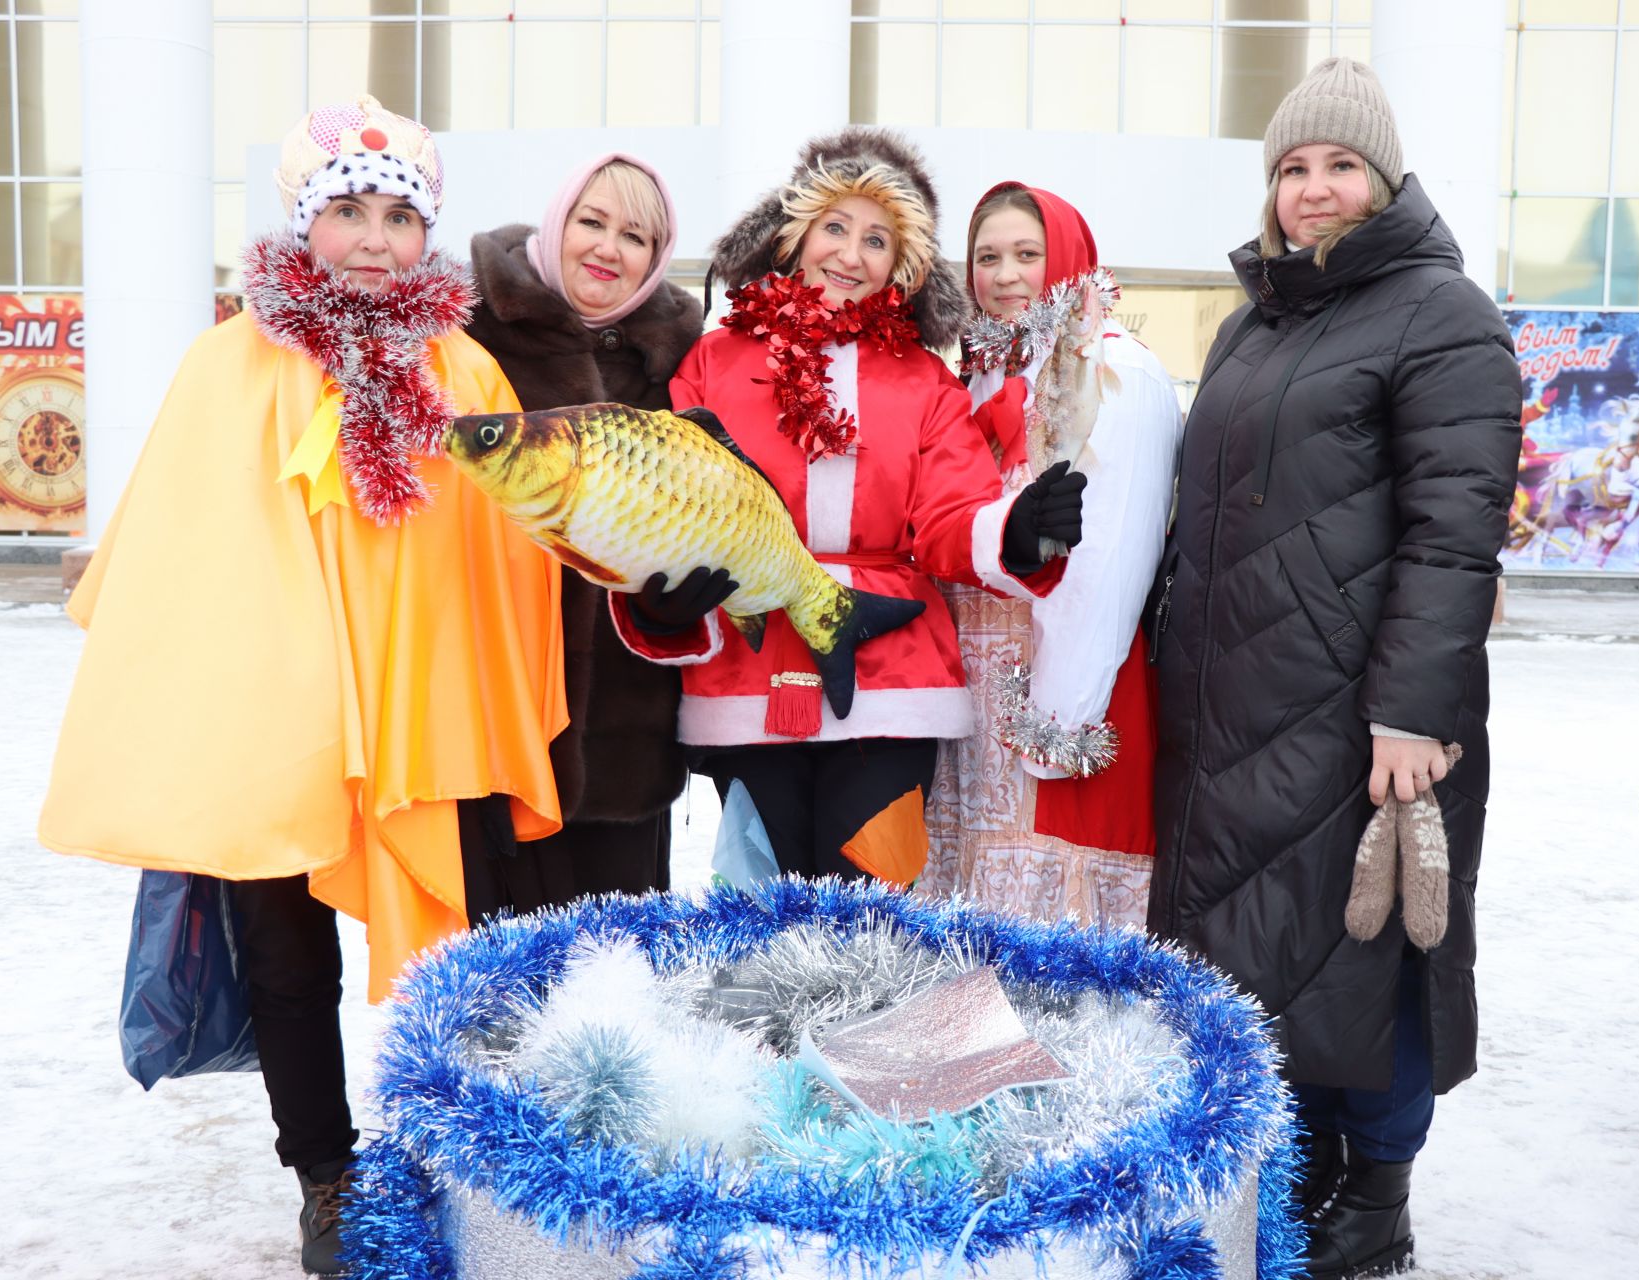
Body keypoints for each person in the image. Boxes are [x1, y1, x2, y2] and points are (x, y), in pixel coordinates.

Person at [38, 96, 565, 1275]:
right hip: (275, 716)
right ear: (302, 221)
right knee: (287, 959)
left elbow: (510, 551)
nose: (374, 238)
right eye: (346, 211)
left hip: (426, 706)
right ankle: (324, 1171)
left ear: (427, 233)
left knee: (447, 940)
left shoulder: (465, 367)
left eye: (396, 214)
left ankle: (431, 1152)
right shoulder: (230, 362)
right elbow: (185, 545)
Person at [1141, 59, 1520, 1280]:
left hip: (1367, 713)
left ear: (1385, 176)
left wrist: (1410, 710)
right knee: (1266, 950)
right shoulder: (1257, 318)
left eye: (1339, 165)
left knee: (1373, 946)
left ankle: (1380, 1192)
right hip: (1236, 704)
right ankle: (1293, 1165)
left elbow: (1455, 531)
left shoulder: (1443, 313)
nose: (1313, 190)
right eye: (1292, 169)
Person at [613, 125, 1084, 885]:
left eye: (878, 240)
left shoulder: (926, 382)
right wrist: (662, 604)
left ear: (902, 269)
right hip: (748, 665)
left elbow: (949, 515)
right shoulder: (713, 361)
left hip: (892, 682)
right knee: (758, 924)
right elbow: (675, 507)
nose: (849, 254)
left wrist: (1016, 533)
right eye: (835, 227)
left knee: (873, 925)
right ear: (794, 237)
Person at [921, 182, 1180, 927]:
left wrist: (1058, 723)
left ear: (1066, 256)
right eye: (988, 256)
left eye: (1027, 254)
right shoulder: (982, 376)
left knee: (1045, 937)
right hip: (974, 703)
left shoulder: (1111, 368)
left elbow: (1110, 554)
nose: (1005, 275)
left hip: (1063, 697)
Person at [458, 154, 704, 919]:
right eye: (591, 222)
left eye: (636, 235)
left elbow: (704, 513)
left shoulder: (675, 365)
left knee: (616, 984)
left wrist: (675, 608)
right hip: (494, 715)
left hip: (627, 742)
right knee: (499, 983)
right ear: (558, 222)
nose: (608, 248)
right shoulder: (470, 337)